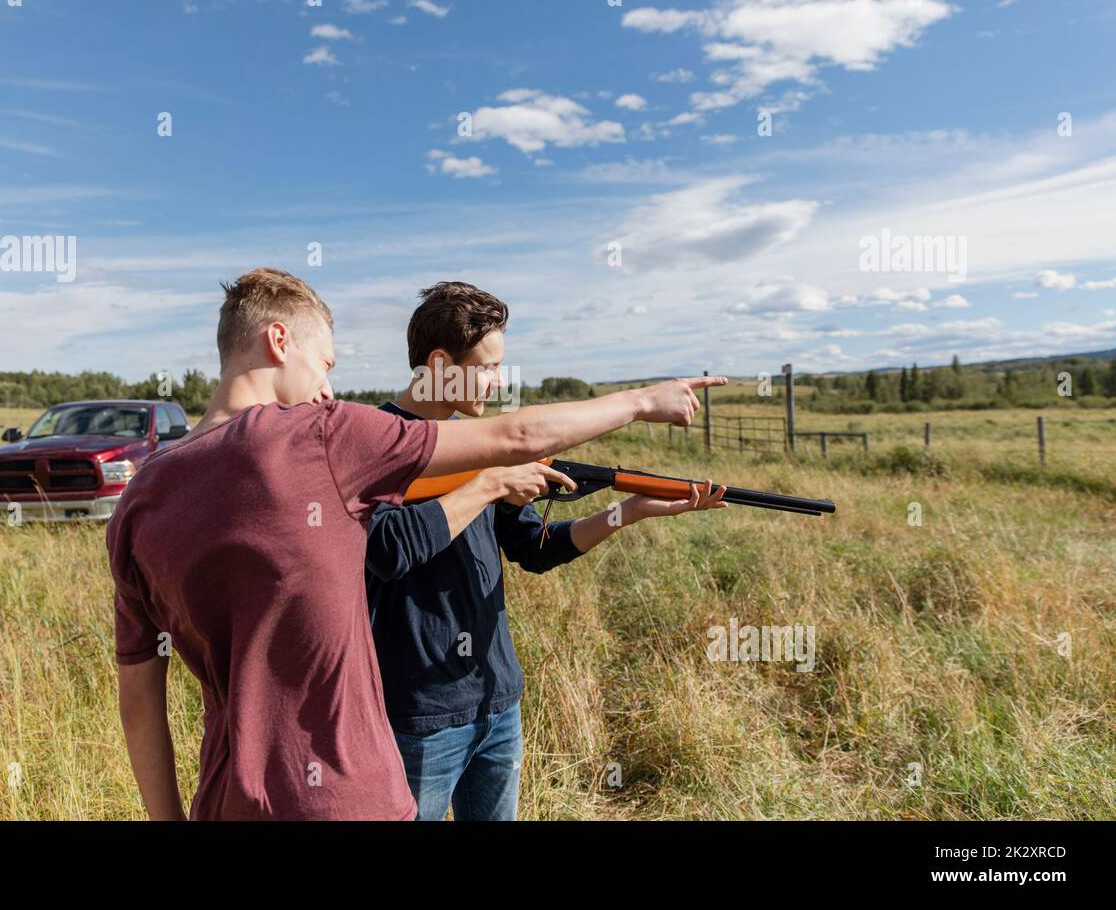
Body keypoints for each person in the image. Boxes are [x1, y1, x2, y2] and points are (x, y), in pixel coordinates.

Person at [108, 267, 725, 820]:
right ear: (278, 341)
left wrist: (629, 511)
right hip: (357, 788)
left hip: (231, 799)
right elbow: (517, 439)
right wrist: (643, 400)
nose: (327, 389)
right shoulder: (327, 437)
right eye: (324, 364)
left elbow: (140, 703)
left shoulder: (140, 501)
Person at [365, 282, 728, 820]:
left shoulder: (482, 447)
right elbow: (388, 550)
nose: (498, 381)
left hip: (498, 704)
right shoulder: (377, 441)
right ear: (440, 364)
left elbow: (534, 548)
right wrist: (487, 484)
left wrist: (627, 512)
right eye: (488, 367)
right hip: (419, 715)